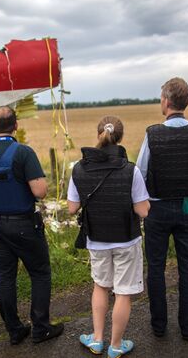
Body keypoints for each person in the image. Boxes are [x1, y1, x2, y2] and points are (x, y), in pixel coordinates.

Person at [0, 106, 64, 345]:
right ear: (16, 125)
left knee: (5, 278)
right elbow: (40, 192)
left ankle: (15, 330)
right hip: (24, 224)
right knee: (40, 273)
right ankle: (40, 328)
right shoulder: (22, 152)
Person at [136, 77, 188, 340]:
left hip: (157, 210)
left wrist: (146, 206)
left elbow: (140, 175)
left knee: (156, 268)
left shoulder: (152, 134)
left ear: (167, 102)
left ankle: (159, 326)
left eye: (161, 98)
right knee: (187, 267)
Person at [67, 116, 150, 358]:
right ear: (120, 138)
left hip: (97, 239)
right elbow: (142, 210)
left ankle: (96, 340)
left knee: (101, 286)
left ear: (98, 134)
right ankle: (116, 346)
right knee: (123, 292)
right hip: (127, 239)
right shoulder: (130, 170)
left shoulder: (79, 169)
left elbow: (72, 208)